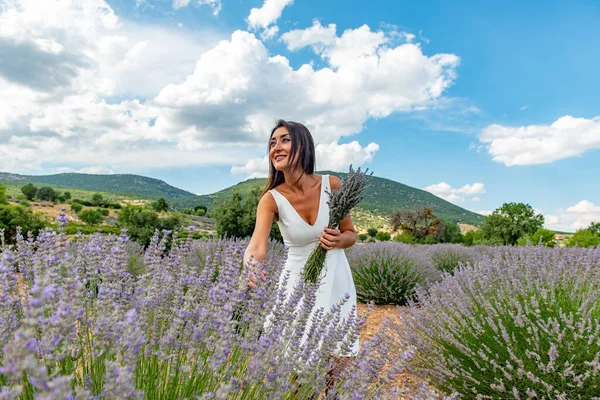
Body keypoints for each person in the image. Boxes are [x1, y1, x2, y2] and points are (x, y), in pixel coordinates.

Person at [243, 119, 360, 385]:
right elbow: (257, 245)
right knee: (294, 369)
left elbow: (351, 234)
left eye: (284, 140)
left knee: (338, 370)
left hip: (337, 283)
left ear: (303, 146)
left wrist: (338, 239)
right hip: (297, 286)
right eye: (272, 143)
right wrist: (251, 267)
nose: (276, 148)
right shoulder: (271, 199)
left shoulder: (333, 185)